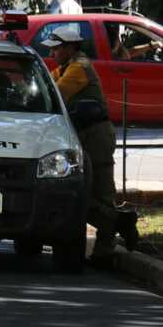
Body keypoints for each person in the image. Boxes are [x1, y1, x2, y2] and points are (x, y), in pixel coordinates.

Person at [42, 24, 139, 268]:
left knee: (101, 193)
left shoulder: (79, 68)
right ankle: (120, 222)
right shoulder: (65, 66)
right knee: (82, 194)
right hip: (81, 135)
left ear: (70, 47)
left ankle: (104, 251)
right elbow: (47, 83)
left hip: (96, 135)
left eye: (56, 48)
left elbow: (55, 93)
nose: (52, 53)